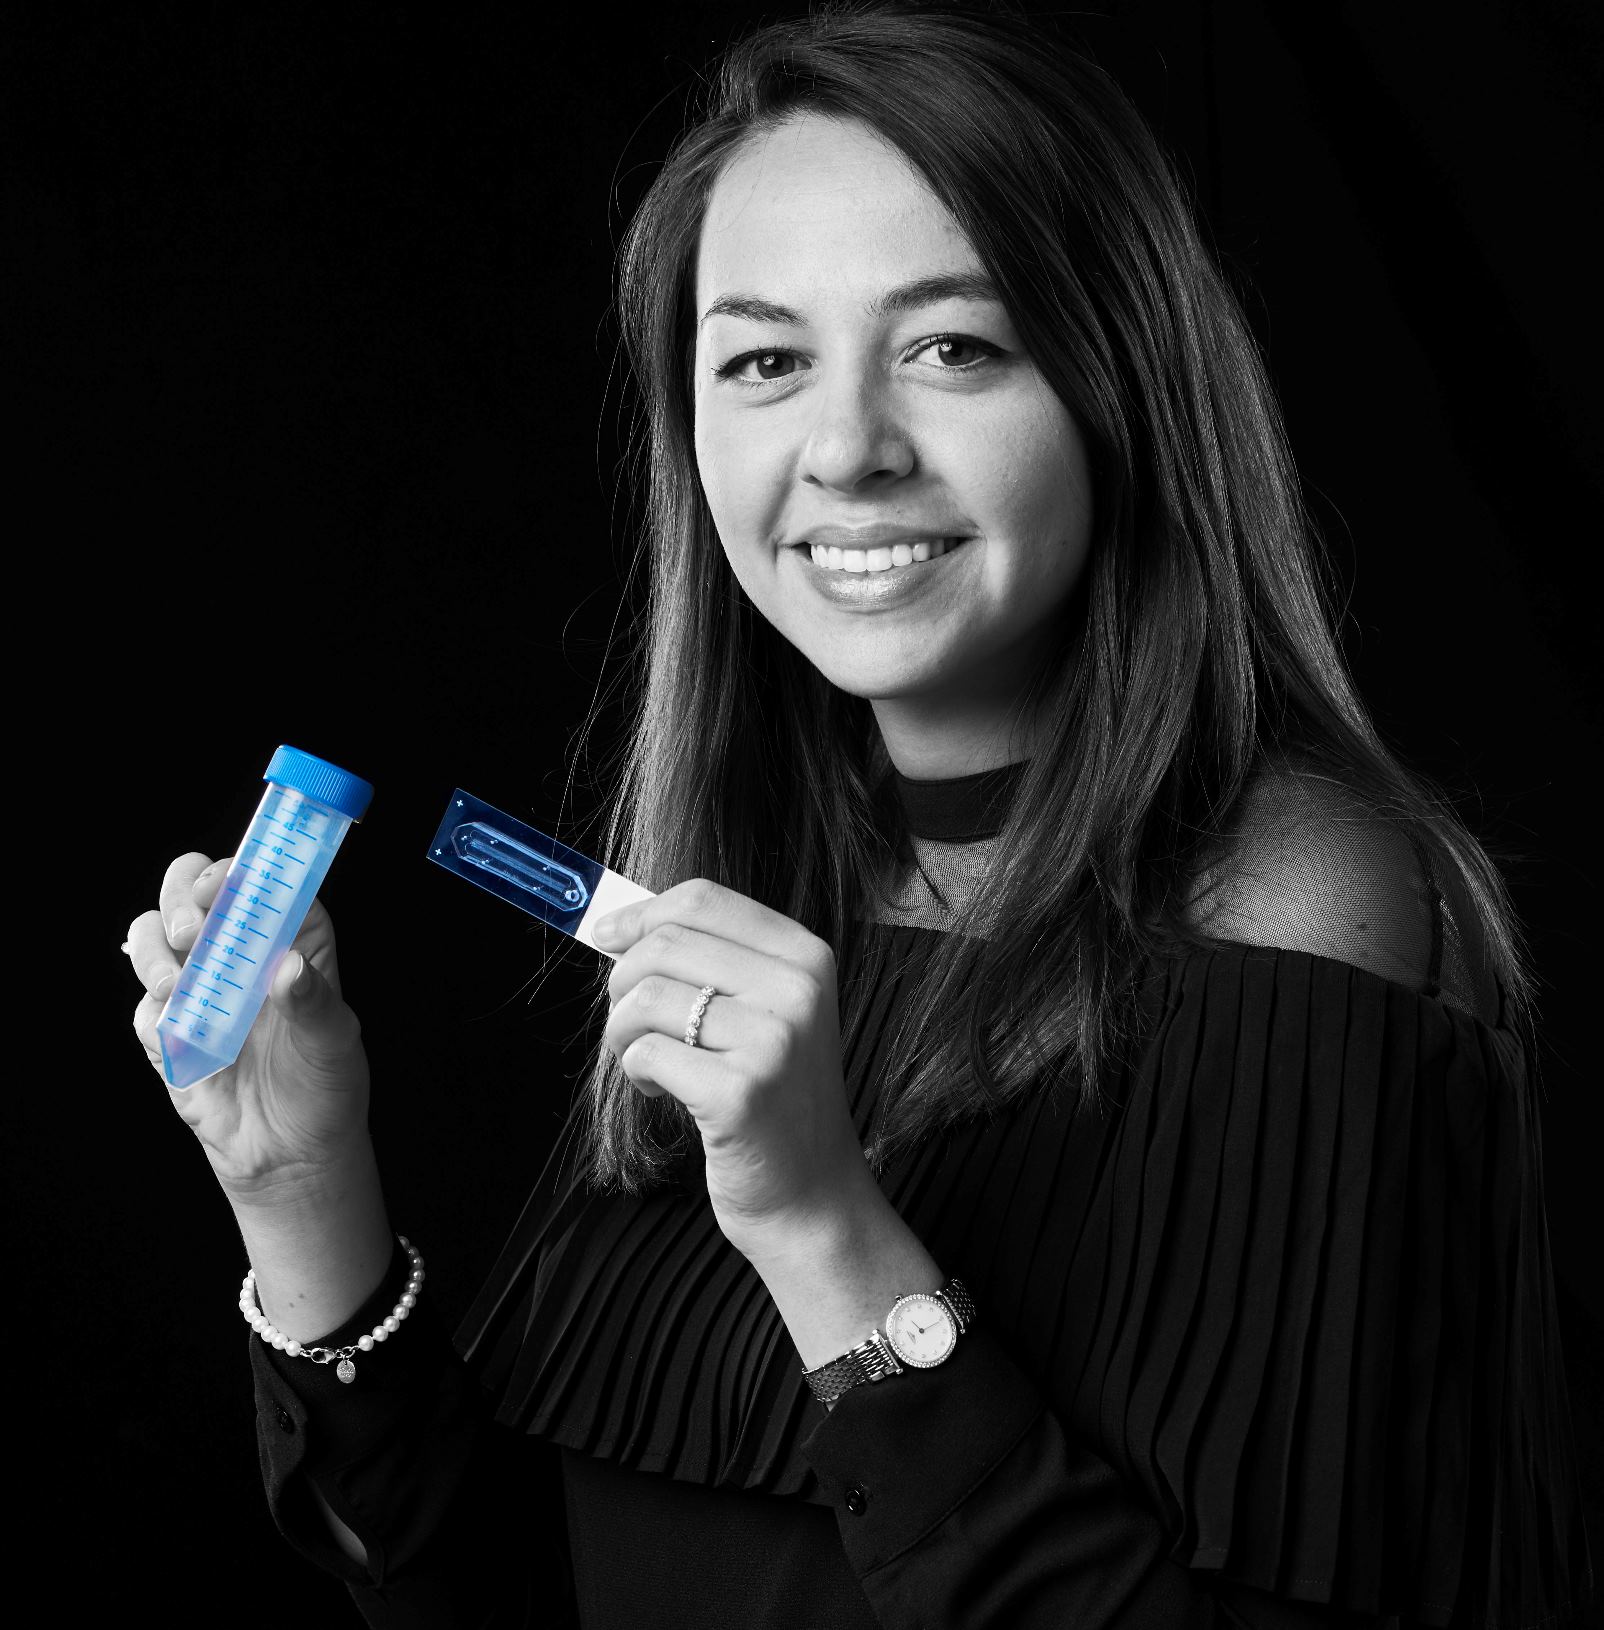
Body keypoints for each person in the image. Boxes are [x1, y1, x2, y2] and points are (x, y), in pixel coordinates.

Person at [124, 3, 1594, 1625]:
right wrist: (302, 1187)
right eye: (765, 360)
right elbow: (510, 1596)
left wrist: (823, 1228)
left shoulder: (1305, 896)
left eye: (952, 346)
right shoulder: (765, 891)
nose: (846, 449)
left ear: (1122, 386)